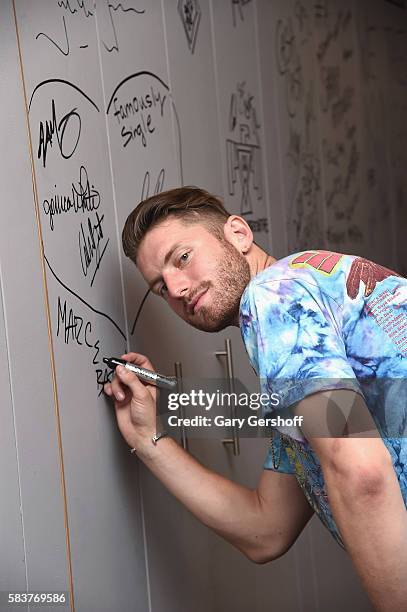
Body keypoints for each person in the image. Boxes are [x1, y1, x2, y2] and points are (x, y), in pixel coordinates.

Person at [104, 187, 407, 611]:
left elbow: (361, 473)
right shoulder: (310, 306)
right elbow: (267, 528)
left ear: (239, 234)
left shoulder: (274, 297)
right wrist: (148, 439)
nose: (175, 288)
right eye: (159, 287)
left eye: (183, 257)